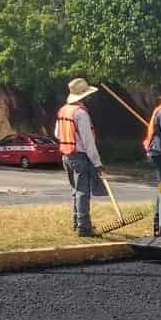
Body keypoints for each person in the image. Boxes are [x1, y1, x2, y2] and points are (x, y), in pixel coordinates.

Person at [55, 77, 105, 236]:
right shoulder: (81, 113)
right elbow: (88, 141)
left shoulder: (63, 110)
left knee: (75, 191)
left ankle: (77, 222)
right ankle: (84, 227)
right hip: (80, 157)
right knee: (83, 192)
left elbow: (57, 133)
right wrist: (97, 163)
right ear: (84, 96)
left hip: (66, 155)